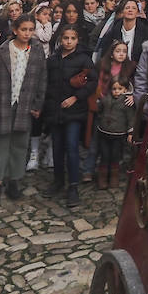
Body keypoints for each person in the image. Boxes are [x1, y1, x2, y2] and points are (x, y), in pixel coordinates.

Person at [0, 14, 46, 205]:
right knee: (0, 145)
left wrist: (37, 104)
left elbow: (42, 78)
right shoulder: (2, 51)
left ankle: (14, 179)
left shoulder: (37, 51)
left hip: (25, 103)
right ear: (15, 30)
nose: (27, 33)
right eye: (23, 29)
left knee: (19, 145)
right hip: (3, 102)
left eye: (30, 30)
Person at [43, 23, 96, 207]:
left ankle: (73, 185)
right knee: (57, 148)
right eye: (65, 38)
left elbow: (91, 83)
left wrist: (76, 97)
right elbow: (47, 83)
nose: (68, 41)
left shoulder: (84, 59)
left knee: (72, 147)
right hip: (55, 109)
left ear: (77, 40)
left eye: (72, 38)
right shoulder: (54, 59)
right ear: (61, 39)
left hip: (74, 111)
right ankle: (58, 180)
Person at [89, 40, 135, 190]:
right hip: (105, 105)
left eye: (124, 51)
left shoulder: (129, 67)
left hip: (120, 118)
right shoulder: (104, 65)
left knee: (116, 152)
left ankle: (113, 175)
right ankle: (97, 174)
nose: (121, 54)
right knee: (100, 147)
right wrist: (100, 99)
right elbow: (99, 83)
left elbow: (132, 85)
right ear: (112, 53)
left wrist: (131, 94)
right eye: (118, 51)